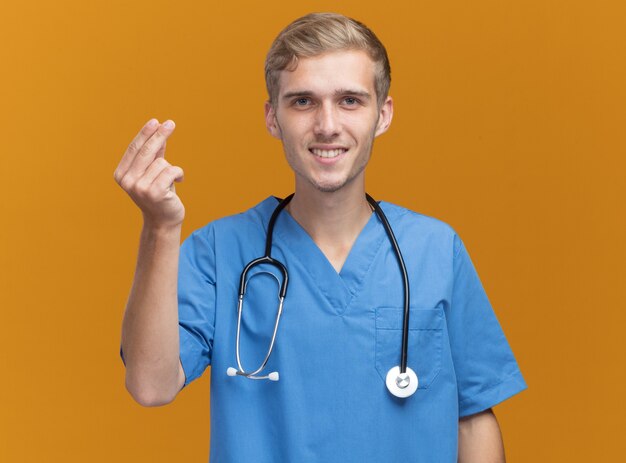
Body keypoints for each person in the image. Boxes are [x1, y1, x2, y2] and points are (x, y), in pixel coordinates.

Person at [115, 12, 526, 463]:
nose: (327, 125)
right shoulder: (220, 251)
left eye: (350, 100)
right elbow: (150, 386)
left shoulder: (434, 250)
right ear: (273, 118)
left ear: (382, 114)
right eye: (303, 102)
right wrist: (160, 228)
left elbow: (472, 417)